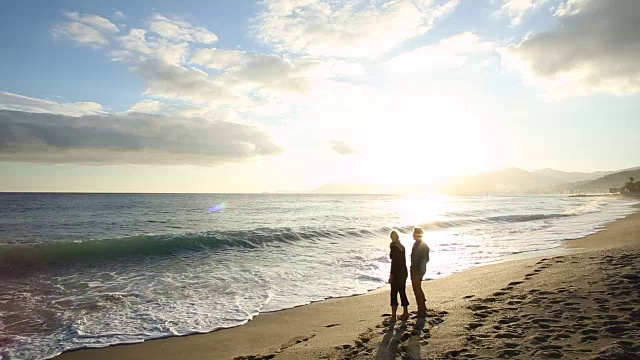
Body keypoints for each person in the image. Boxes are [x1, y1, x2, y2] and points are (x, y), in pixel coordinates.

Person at [388, 230, 409, 322]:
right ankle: (405, 311)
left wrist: (391, 275)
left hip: (397, 272)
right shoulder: (402, 247)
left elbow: (394, 263)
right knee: (402, 291)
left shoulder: (394, 247)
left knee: (393, 293)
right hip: (404, 271)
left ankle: (393, 316)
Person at [410, 226, 430, 317]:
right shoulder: (421, 244)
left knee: (416, 288)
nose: (413, 235)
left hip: (417, 270)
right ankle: (422, 306)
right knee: (417, 288)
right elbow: (427, 259)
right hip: (420, 269)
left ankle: (421, 308)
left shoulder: (420, 245)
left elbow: (421, 259)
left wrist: (416, 268)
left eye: (414, 233)